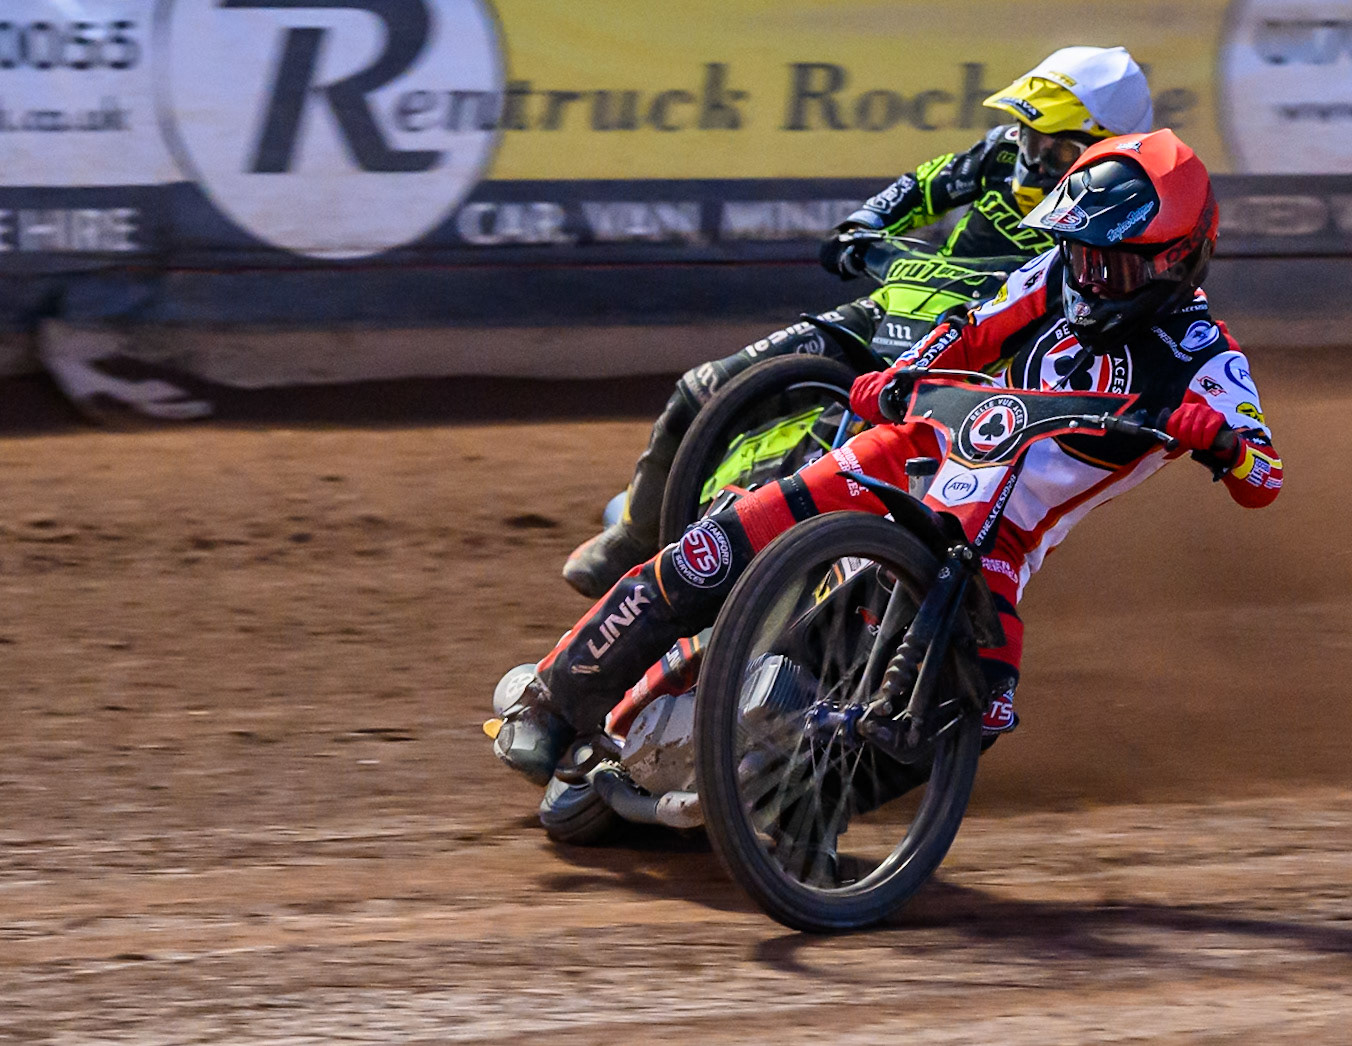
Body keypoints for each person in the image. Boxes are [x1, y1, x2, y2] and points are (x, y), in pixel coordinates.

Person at [495, 128, 1283, 790]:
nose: (1085, 275)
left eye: (1108, 262)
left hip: (999, 542)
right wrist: (905, 375)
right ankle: (551, 698)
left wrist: (1219, 443)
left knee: (975, 712)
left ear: (1175, 261)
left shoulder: (1208, 361)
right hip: (916, 447)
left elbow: (1264, 476)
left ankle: (798, 816)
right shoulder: (1054, 272)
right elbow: (971, 330)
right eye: (1077, 253)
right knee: (715, 547)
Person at [561, 45, 1157, 597]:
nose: (1032, 156)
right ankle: (635, 539)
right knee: (705, 387)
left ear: (1102, 147)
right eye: (1030, 136)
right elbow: (922, 186)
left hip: (981, 361)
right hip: (894, 308)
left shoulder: (1120, 214)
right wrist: (861, 227)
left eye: (1054, 146)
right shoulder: (999, 153)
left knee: (904, 493)